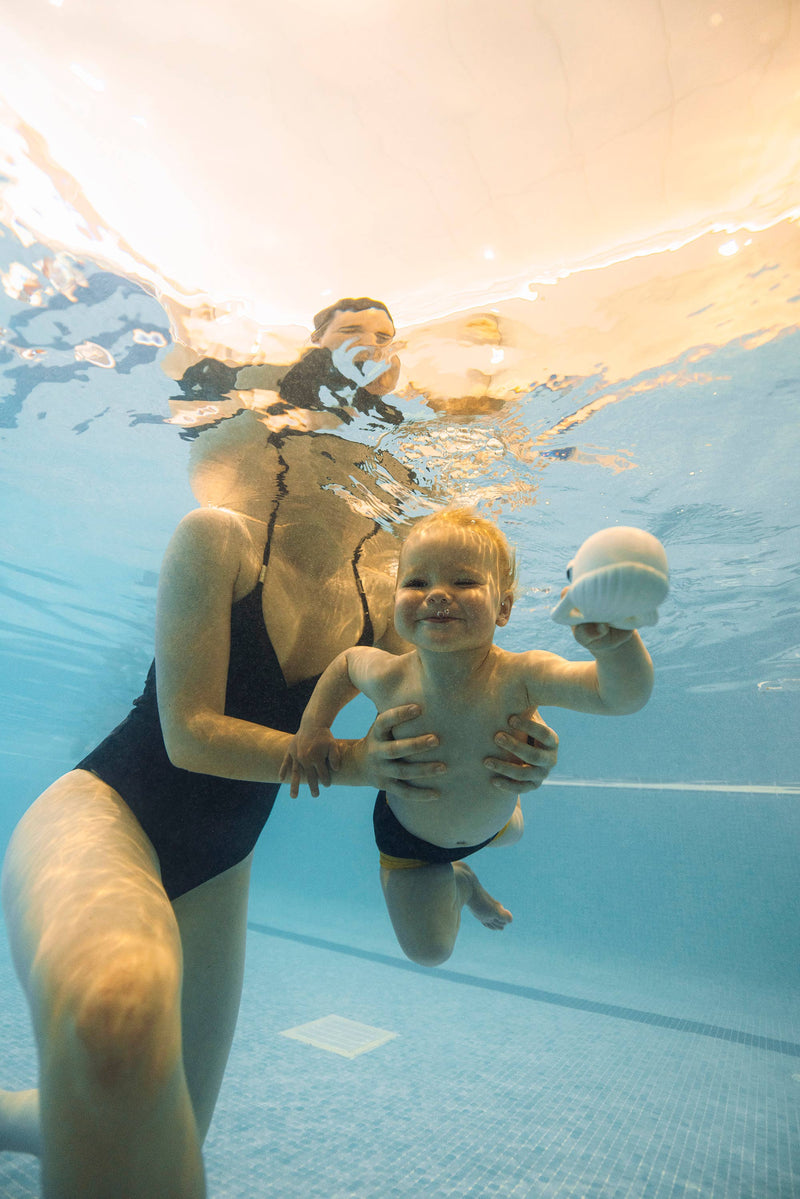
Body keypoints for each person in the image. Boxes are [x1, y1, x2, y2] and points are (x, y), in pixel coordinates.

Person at [0, 298, 559, 1199]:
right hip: (107, 813)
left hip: (225, 862)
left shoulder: (389, 596)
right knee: (118, 1014)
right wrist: (360, 763)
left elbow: (436, 743)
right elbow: (188, 737)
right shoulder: (217, 536)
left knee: (168, 1123)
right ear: (285, 431)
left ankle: (26, 1116)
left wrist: (494, 793)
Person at [281, 506, 654, 969]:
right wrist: (313, 729)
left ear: (504, 607)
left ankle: (480, 846)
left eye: (463, 582)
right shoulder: (389, 674)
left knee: (511, 831)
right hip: (411, 841)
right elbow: (344, 665)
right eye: (416, 582)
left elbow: (618, 697)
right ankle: (460, 881)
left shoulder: (523, 674)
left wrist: (616, 644)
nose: (437, 593)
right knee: (430, 952)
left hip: (492, 823)